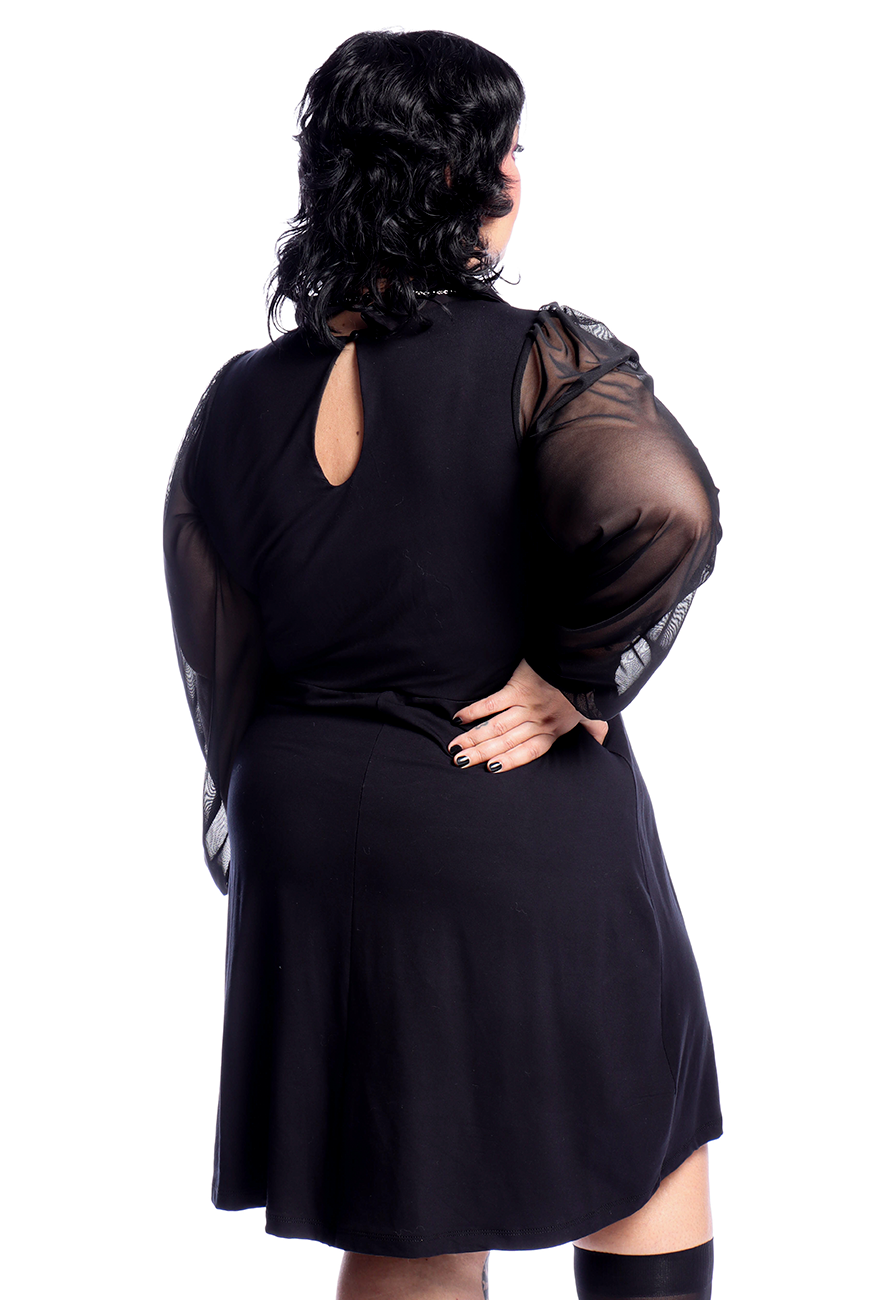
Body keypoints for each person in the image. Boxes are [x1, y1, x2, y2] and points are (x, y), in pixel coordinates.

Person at [163, 29, 724, 1300]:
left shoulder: (238, 397)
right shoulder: (540, 358)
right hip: (501, 817)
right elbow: (670, 507)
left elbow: (219, 630)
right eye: (509, 146)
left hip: (312, 842)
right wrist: (572, 672)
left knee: (410, 1205)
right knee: (642, 1145)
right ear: (481, 177)